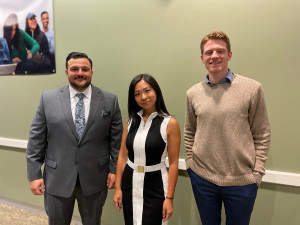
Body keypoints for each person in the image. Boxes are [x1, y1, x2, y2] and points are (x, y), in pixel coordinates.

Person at [184, 31, 271, 225]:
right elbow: (190, 131)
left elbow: (262, 132)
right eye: (209, 52)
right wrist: (190, 162)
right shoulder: (193, 93)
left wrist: (257, 173)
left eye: (220, 51)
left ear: (229, 55)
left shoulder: (252, 89)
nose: (214, 56)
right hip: (202, 178)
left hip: (242, 181)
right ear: (202, 58)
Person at [26, 52, 123, 225]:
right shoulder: (47, 99)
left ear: (91, 72)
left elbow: (116, 143)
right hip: (57, 179)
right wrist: (34, 174)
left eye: (85, 69)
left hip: (95, 179)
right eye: (74, 69)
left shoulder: (110, 100)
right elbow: (36, 140)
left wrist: (114, 170)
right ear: (66, 72)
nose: (80, 73)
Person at [113, 74, 181, 225]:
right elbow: (123, 156)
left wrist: (169, 198)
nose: (143, 97)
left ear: (156, 91)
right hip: (129, 183)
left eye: (147, 91)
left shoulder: (169, 123)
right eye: (137, 94)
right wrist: (118, 188)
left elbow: (174, 163)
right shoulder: (130, 121)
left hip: (155, 185)